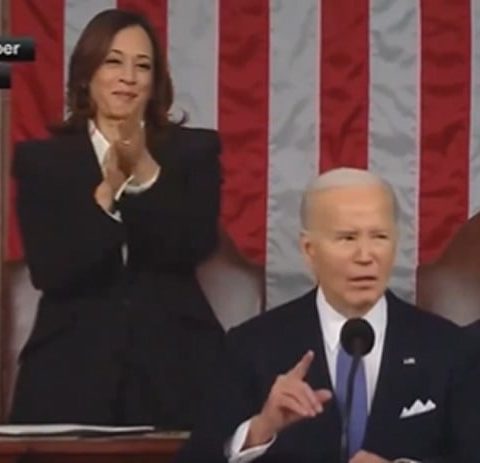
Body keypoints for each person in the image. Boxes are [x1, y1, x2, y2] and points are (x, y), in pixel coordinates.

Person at [9, 8, 225, 428]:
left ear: (155, 81)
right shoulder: (41, 162)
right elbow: (52, 270)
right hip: (70, 363)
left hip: (178, 360)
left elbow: (193, 244)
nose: (128, 77)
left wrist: (143, 170)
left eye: (142, 66)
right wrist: (106, 198)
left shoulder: (194, 151)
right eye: (113, 61)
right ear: (86, 74)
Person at [176, 168, 480, 462]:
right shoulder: (251, 346)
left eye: (379, 237)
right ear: (309, 250)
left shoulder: (449, 348)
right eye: (347, 238)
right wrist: (259, 430)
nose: (366, 256)